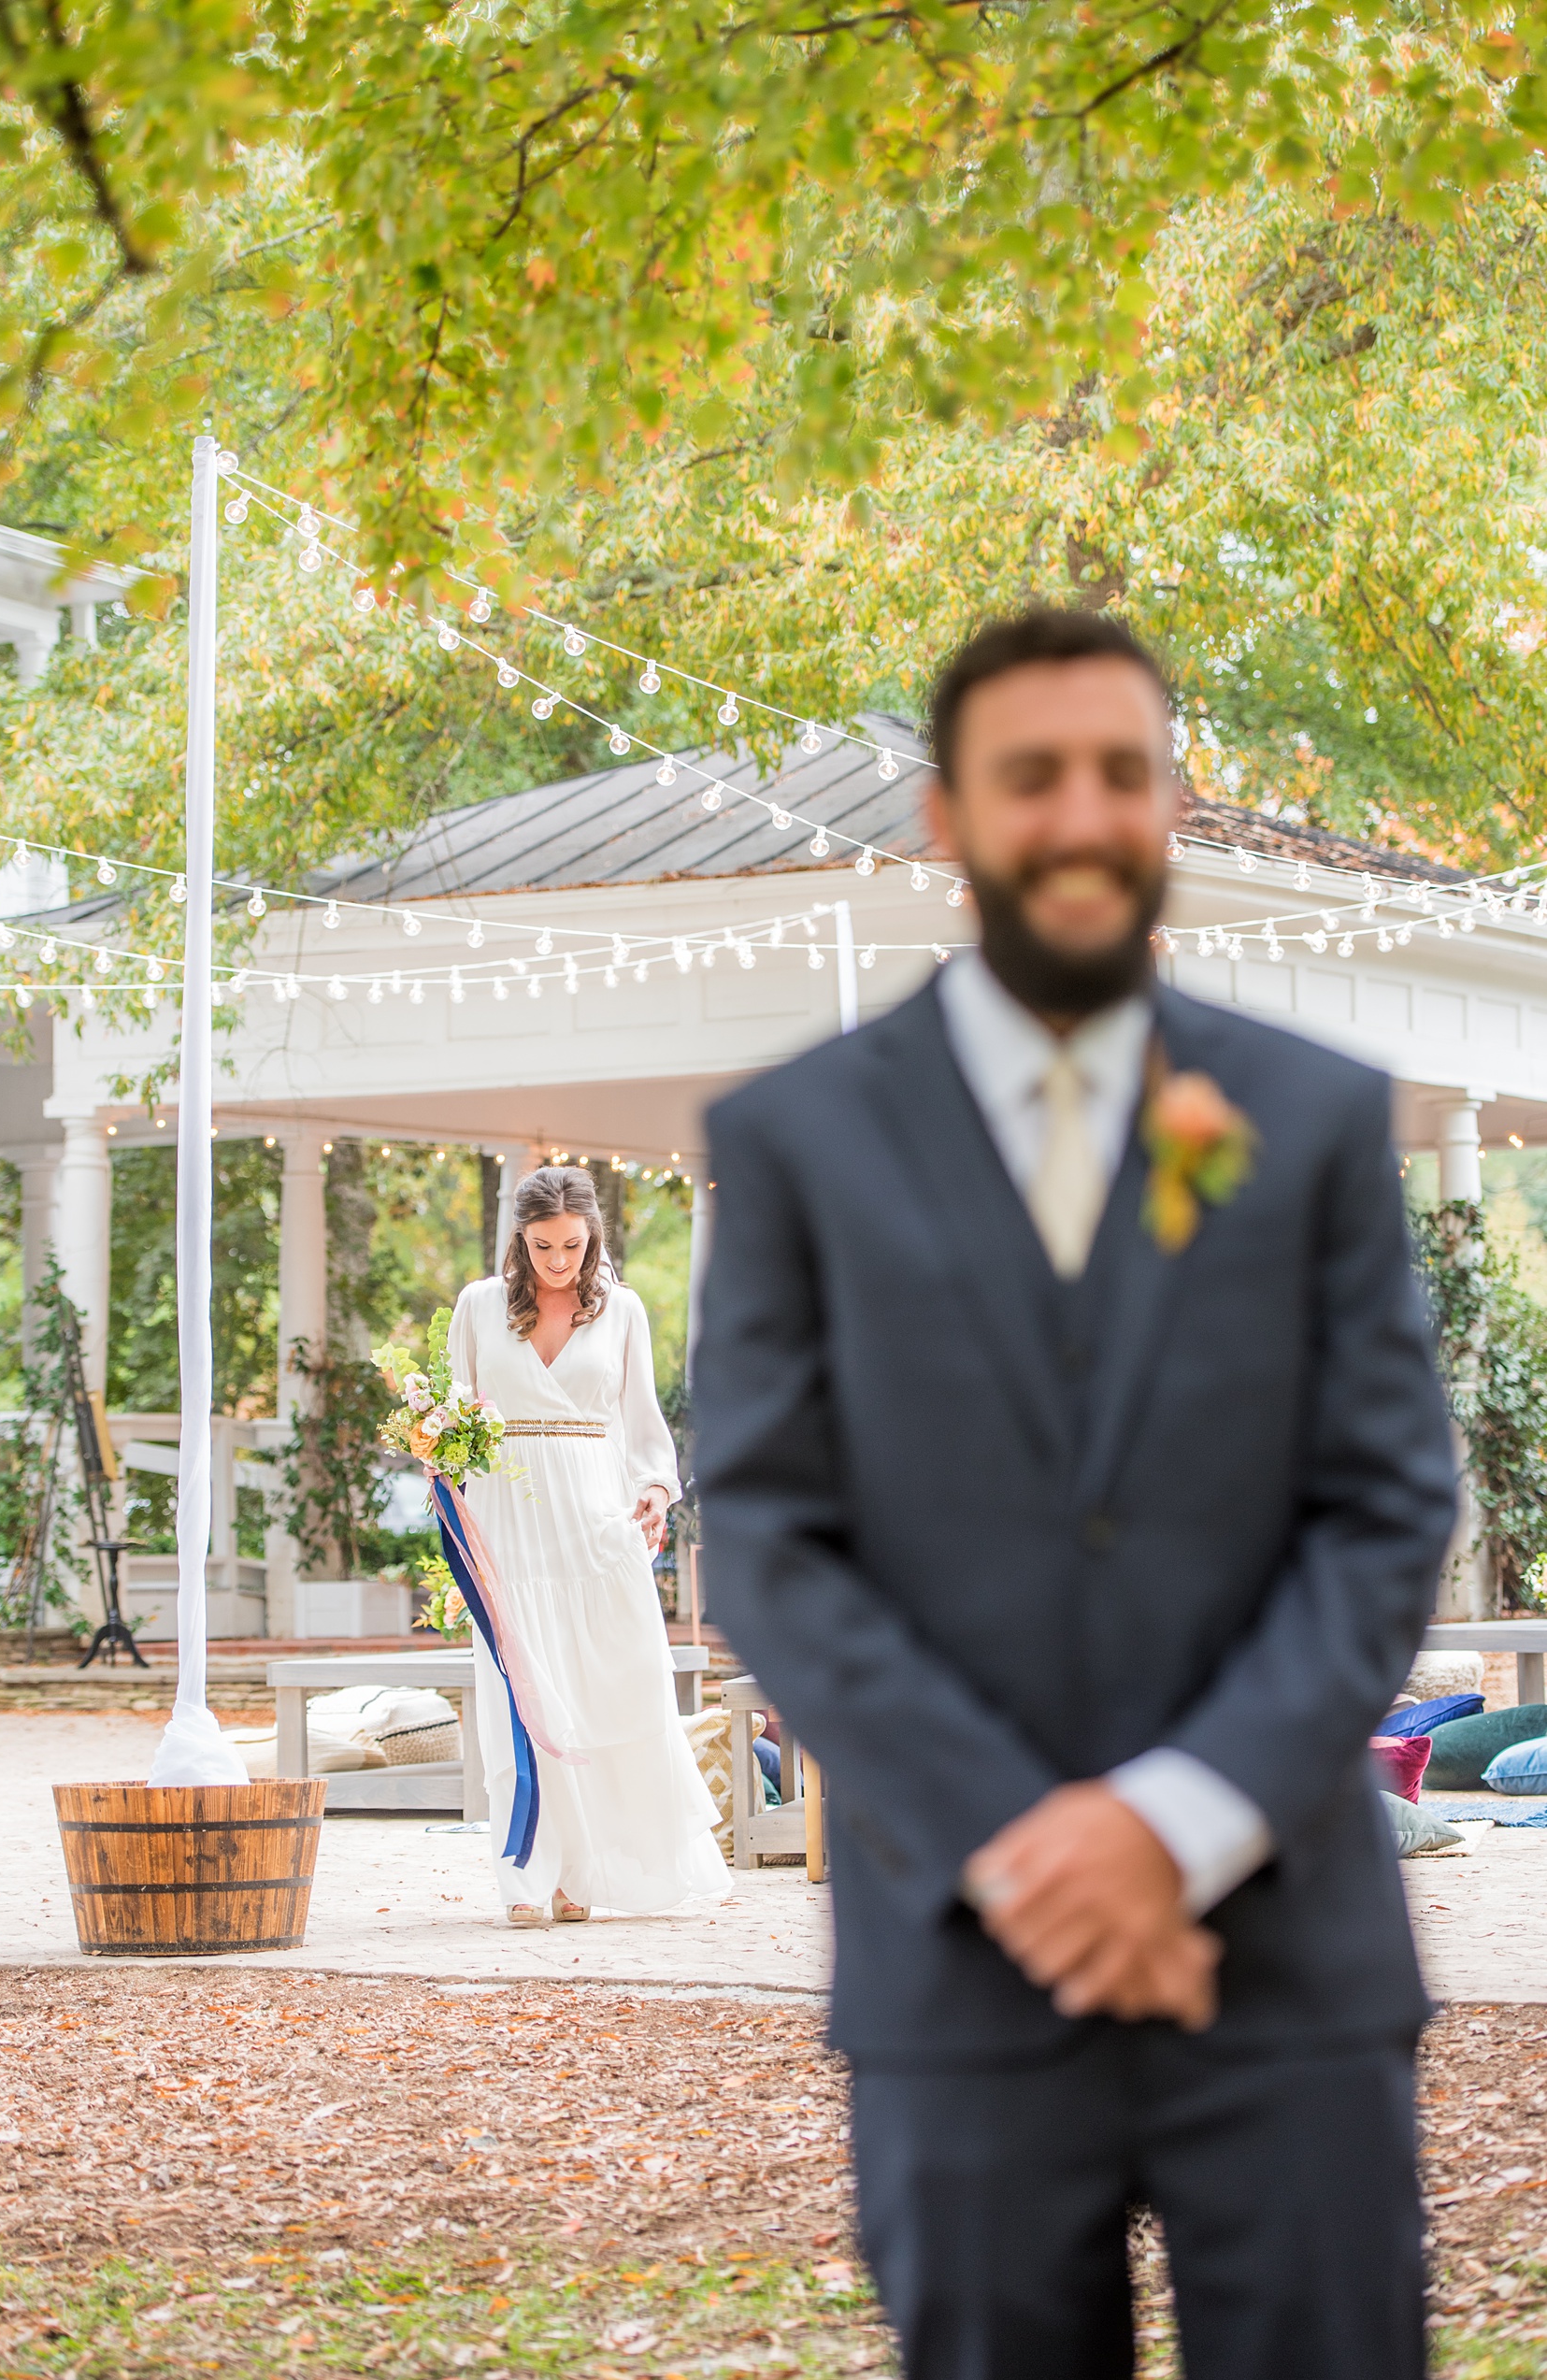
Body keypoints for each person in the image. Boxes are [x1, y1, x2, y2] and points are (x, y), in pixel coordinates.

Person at [691, 609, 1456, 2380]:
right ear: (947, 818)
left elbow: (1382, 1505)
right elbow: (776, 1544)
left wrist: (1173, 1827)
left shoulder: (1310, 1117)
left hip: (1285, 1972)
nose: (1084, 815)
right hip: (964, 1962)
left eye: (1126, 772)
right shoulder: (796, 1141)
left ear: (1173, 800)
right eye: (1032, 777)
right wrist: (1032, 1850)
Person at [448, 1165, 727, 1924]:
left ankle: (592, 1876)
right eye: (543, 1246)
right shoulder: (477, 1307)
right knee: (525, 1695)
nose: (559, 1261)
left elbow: (642, 1423)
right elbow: (449, 1434)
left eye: (572, 1245)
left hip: (596, 1519)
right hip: (508, 1518)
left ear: (591, 1235)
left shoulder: (623, 1310)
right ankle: (532, 1878)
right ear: (521, 1238)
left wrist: (656, 1488)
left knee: (612, 1687)